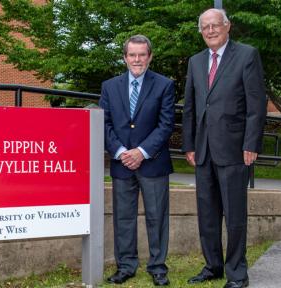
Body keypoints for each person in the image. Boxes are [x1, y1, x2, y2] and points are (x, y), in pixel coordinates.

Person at [182, 8, 266, 288]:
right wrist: (189, 145)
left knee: (234, 217)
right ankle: (213, 266)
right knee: (207, 215)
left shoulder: (246, 55)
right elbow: (191, 108)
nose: (210, 30)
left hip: (234, 149)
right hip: (203, 150)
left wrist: (251, 143)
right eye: (204, 27)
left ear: (227, 26)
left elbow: (256, 104)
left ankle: (237, 274)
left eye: (215, 25)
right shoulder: (195, 62)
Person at [99, 35, 175, 286]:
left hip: (153, 163)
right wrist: (121, 152)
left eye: (142, 54)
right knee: (123, 217)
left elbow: (165, 126)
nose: (137, 59)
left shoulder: (164, 85)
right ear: (125, 57)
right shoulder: (110, 86)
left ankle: (158, 267)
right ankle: (126, 265)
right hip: (121, 164)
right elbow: (104, 123)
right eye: (132, 55)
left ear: (150, 56)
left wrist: (141, 152)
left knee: (157, 217)